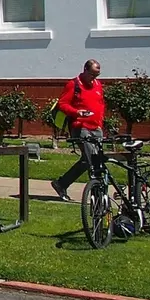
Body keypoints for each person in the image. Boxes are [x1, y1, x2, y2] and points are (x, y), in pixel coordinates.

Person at [51, 59, 106, 202]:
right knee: (92, 161)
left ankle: (61, 183)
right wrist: (77, 112)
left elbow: (100, 104)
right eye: (92, 74)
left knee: (91, 160)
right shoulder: (73, 84)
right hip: (80, 127)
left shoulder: (98, 85)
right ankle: (97, 196)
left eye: (97, 75)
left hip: (96, 127)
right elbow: (63, 104)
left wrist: (100, 123)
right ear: (85, 70)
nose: (94, 78)